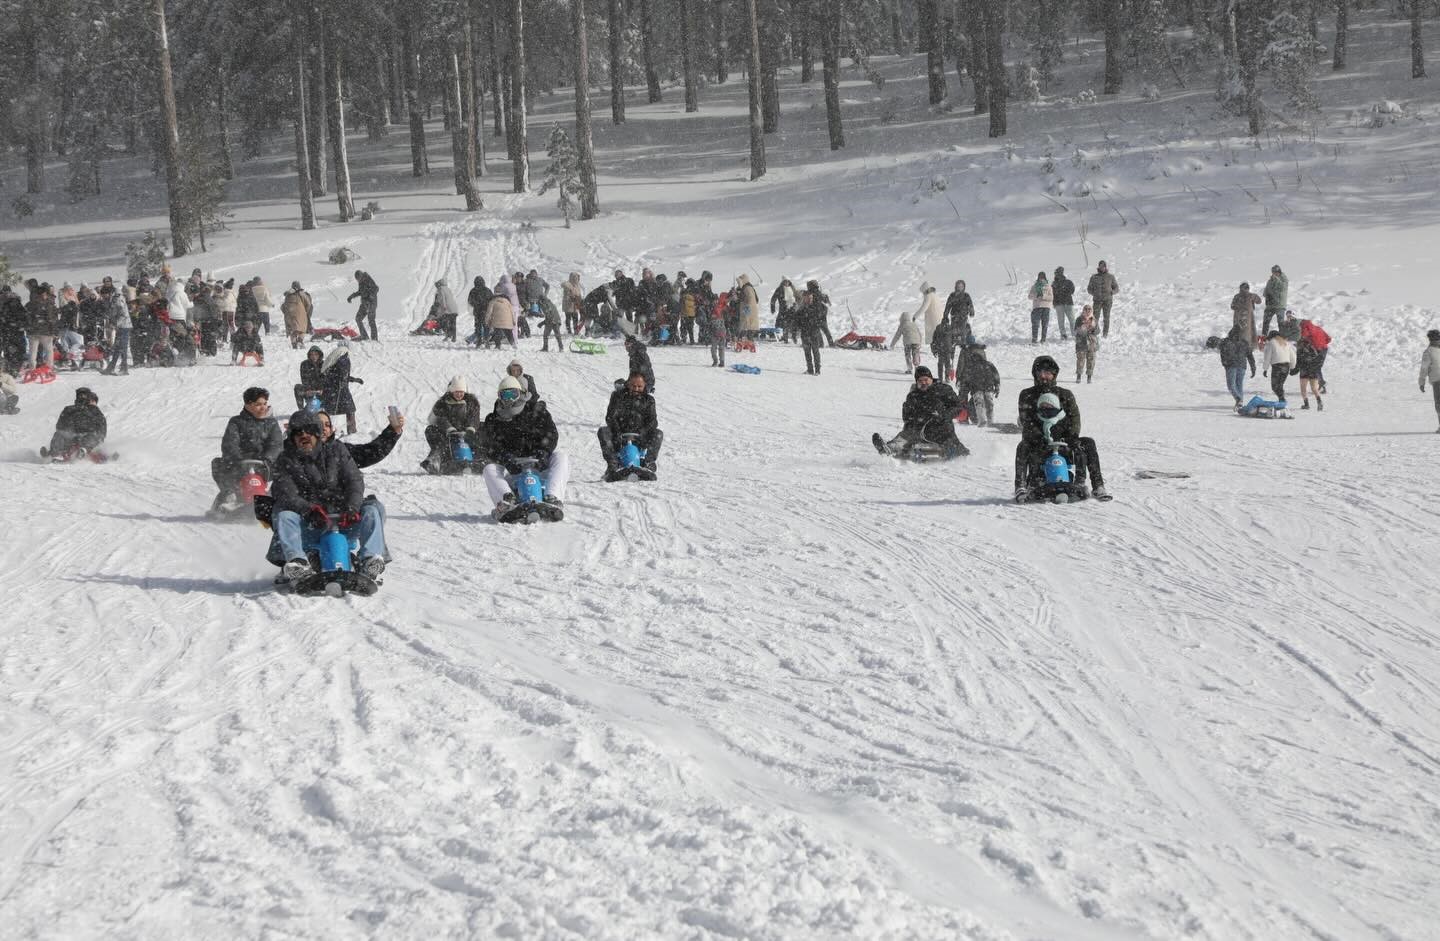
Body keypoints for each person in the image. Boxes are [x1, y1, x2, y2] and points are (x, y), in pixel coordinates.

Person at [268, 410, 387, 583]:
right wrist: (309, 510)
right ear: (292, 437)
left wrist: (352, 506)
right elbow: (286, 493)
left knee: (372, 510)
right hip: (309, 524)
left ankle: (369, 561)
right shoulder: (286, 459)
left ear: (316, 433)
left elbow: (354, 480)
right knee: (285, 516)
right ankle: (298, 564)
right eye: (298, 432)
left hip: (343, 518)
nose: (304, 435)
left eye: (308, 430)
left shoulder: (337, 450)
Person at [1014, 355, 1109, 500]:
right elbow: (1026, 421)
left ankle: (1098, 486)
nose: (1044, 376)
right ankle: (1020, 487)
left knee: (1088, 443)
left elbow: (1075, 419)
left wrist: (1070, 436)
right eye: (1041, 372)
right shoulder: (1027, 395)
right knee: (1023, 446)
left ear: (1054, 374)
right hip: (1038, 442)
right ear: (1035, 373)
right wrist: (1041, 437)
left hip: (1064, 440)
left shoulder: (1065, 395)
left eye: (1048, 372)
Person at [481, 375, 568, 520]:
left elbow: (551, 433)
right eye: (505, 394)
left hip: (539, 464)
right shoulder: (494, 418)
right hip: (514, 469)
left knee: (561, 457)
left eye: (513, 394)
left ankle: (552, 497)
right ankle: (507, 500)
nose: (509, 399)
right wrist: (506, 458)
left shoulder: (537, 411)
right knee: (489, 468)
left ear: (520, 393)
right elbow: (490, 445)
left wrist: (543, 452)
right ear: (499, 396)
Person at [211, 387, 283, 512]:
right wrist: (238, 459)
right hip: (239, 465)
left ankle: (276, 496)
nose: (263, 407)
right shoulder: (236, 422)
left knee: (287, 466)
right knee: (217, 463)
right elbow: (230, 443)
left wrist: (267, 458)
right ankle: (230, 495)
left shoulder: (271, 423)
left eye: (265, 404)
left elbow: (276, 444)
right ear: (248, 405)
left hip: (265, 466)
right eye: (258, 404)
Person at [873, 366, 968, 459]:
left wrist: (944, 415)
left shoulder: (943, 390)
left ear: (931, 379)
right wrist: (913, 421)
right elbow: (907, 416)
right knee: (906, 436)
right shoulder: (913, 396)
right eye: (920, 381)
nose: (923, 383)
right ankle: (890, 449)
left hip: (942, 428)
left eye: (926, 380)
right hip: (920, 429)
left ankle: (960, 454)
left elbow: (957, 406)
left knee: (953, 449)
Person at [600, 371, 663, 479]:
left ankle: (648, 464)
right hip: (619, 435)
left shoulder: (648, 400)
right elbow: (611, 417)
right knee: (603, 431)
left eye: (640, 386)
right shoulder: (618, 397)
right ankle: (613, 465)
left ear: (644, 386)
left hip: (641, 437)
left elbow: (653, 421)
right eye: (633, 386)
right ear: (628, 384)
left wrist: (643, 432)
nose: (636, 389)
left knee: (658, 433)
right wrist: (617, 432)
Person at [422, 375, 484, 472]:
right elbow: (441, 418)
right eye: (456, 392)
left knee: (484, 427)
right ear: (451, 391)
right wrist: (450, 430)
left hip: (467, 432)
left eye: (461, 392)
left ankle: (482, 459)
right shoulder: (443, 403)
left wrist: (470, 429)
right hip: (448, 433)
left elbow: (474, 417)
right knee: (431, 430)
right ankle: (436, 459)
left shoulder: (472, 402)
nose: (459, 394)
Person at [43, 386, 107, 461]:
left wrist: (99, 437)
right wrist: (67, 429)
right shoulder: (69, 409)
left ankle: (83, 451)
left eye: (84, 395)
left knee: (92, 437)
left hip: (87, 437)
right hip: (72, 436)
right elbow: (60, 426)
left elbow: (102, 428)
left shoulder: (95, 411)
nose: (82, 397)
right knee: (59, 435)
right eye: (80, 395)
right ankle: (54, 453)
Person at [957, 342, 1000, 426]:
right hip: (987, 387)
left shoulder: (969, 362)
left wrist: (961, 381)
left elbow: (962, 370)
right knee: (988, 404)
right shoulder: (987, 363)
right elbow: (995, 375)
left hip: (977, 387)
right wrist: (997, 385)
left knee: (979, 403)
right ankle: (988, 420)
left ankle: (977, 419)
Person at [322, 342, 360, 434]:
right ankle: (351, 432)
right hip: (338, 389)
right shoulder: (344, 358)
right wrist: (342, 381)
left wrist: (353, 379)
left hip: (331, 388)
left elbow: (334, 373)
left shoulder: (337, 355)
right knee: (350, 409)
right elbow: (342, 374)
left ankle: (326, 431)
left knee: (331, 411)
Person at [1218, 325, 1257, 409]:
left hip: (1231, 365)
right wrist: (1253, 368)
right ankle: (1240, 404)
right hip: (1241, 366)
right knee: (1239, 385)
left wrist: (1224, 363)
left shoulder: (1226, 341)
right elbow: (1250, 356)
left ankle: (1238, 399)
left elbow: (1221, 351)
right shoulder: (1244, 342)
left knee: (1231, 386)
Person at [25, 283, 60, 370]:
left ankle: (32, 368)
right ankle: (49, 368)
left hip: (33, 331)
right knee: (48, 350)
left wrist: (28, 328)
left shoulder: (30, 304)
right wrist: (55, 331)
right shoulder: (48, 304)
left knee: (33, 351)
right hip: (45, 331)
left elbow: (26, 317)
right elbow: (52, 319)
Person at [796, 288, 828, 376]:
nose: (810, 299)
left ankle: (817, 370)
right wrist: (799, 326)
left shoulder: (817, 306)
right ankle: (810, 369)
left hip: (814, 332)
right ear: (804, 298)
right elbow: (796, 319)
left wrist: (818, 322)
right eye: (808, 298)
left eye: (811, 297)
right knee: (807, 352)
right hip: (805, 333)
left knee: (815, 351)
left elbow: (825, 309)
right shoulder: (802, 308)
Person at [1262, 329, 1296, 404]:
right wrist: (1292, 367)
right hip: (1286, 367)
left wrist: (1265, 369)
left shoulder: (1271, 343)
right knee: (1280, 385)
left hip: (1277, 367)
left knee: (1274, 386)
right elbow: (1293, 356)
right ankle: (1281, 401)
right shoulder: (1286, 343)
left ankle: (1282, 399)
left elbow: (1267, 357)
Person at [1086, 260, 1119, 338]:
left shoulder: (1110, 277)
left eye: (1103, 266)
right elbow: (1089, 288)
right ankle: (1094, 331)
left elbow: (1117, 288)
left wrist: (1112, 292)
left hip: (1107, 301)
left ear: (1105, 267)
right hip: (1097, 301)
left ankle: (1105, 334)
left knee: (1106, 317)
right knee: (1095, 317)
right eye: (1100, 266)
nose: (1102, 268)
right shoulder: (1094, 277)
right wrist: (1094, 293)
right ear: (1099, 267)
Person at [1295, 329, 1324, 411]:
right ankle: (1319, 401)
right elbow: (1317, 357)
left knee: (1303, 388)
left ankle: (1306, 404)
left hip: (1304, 370)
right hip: (1313, 370)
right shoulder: (1312, 346)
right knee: (1314, 388)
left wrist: (1295, 369)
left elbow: (1298, 361)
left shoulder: (1300, 349)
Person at [345, 270, 379, 341]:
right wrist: (351, 296)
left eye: (358, 279)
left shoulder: (368, 279)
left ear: (361, 276)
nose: (358, 281)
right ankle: (364, 336)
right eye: (357, 279)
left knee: (371, 320)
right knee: (358, 318)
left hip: (371, 304)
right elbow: (360, 292)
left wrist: (370, 296)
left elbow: (376, 288)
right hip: (364, 304)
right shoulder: (361, 282)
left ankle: (374, 338)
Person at [890, 305, 922, 372]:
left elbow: (897, 336)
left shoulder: (902, 325)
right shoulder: (914, 324)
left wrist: (892, 344)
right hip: (916, 341)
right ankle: (916, 366)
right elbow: (919, 334)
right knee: (916, 353)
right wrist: (920, 342)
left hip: (907, 342)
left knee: (908, 355)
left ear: (901, 318)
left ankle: (909, 368)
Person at [282, 281, 313, 349]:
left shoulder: (288, 295)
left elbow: (283, 307)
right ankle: (300, 340)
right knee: (302, 328)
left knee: (292, 330)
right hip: (300, 313)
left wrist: (286, 313)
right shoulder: (300, 293)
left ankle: (294, 344)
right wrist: (305, 312)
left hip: (289, 314)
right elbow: (308, 303)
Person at [1073, 305, 1100, 383]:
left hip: (1092, 343)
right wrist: (1082, 328)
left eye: (1089, 309)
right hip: (1081, 342)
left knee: (1091, 360)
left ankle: (1089, 377)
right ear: (1083, 310)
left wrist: (1092, 330)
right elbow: (1075, 330)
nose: (1087, 311)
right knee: (1080, 360)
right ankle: (1079, 376)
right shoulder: (1079, 319)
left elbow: (1098, 331)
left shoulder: (1094, 319)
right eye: (1086, 309)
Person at [1231, 282, 1261, 349]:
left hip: (1239, 317)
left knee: (1239, 331)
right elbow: (1259, 301)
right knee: (1246, 332)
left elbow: (1232, 306)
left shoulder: (1238, 296)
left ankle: (1240, 345)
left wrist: (1238, 308)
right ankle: (1247, 346)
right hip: (1247, 318)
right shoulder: (1250, 296)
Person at [1421, 329, 1440, 432]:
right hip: (1437, 380)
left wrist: (1421, 382)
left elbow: (1424, 368)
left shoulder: (1428, 352)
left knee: (1439, 403)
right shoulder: (1428, 352)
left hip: (1437, 380)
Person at [1027, 271, 1053, 343]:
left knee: (1045, 324)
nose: (1041, 279)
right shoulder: (1034, 286)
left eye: (1042, 277)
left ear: (1045, 277)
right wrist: (1036, 296)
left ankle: (1043, 339)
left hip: (1046, 307)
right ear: (1038, 277)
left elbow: (1051, 298)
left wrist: (1044, 296)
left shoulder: (1048, 286)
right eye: (1040, 277)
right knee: (1035, 324)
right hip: (1037, 307)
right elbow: (1029, 296)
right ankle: (1034, 339)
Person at [1262, 265, 1288, 336]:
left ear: (1279, 272)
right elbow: (1265, 292)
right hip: (1270, 305)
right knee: (1266, 321)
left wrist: (1275, 279)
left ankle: (1282, 337)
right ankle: (1263, 336)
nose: (1274, 273)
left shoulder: (1284, 279)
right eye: (1273, 272)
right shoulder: (1270, 281)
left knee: (1280, 323)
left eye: (1275, 272)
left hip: (1279, 305)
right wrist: (1268, 296)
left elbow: (1282, 287)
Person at [468, 276, 494, 345]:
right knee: (486, 327)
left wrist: (476, 305)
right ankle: (486, 341)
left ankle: (479, 341)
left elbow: (470, 301)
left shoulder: (473, 290)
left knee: (478, 327)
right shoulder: (487, 290)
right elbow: (492, 300)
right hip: (486, 311)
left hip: (477, 311)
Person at [915, 281, 944, 346]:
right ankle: (940, 345)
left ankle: (936, 347)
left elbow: (924, 308)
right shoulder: (935, 295)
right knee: (938, 333)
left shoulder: (928, 296)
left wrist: (915, 316)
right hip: (939, 317)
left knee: (933, 334)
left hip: (933, 318)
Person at [931, 316, 957, 385]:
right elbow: (954, 342)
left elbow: (934, 340)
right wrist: (952, 353)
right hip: (948, 349)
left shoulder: (938, 328)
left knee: (940, 364)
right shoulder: (951, 328)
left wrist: (934, 350)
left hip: (940, 349)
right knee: (947, 364)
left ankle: (940, 378)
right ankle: (947, 377)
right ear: (948, 322)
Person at [770, 278, 797, 343]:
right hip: (783, 309)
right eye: (785, 281)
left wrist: (797, 305)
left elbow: (796, 297)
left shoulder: (792, 288)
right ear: (782, 282)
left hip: (792, 309)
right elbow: (773, 298)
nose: (786, 283)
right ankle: (784, 338)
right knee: (782, 324)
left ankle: (794, 337)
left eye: (787, 281)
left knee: (793, 324)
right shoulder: (779, 289)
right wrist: (772, 307)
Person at [1052, 266, 1075, 340]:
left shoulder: (1068, 282)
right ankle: (1063, 334)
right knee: (1061, 320)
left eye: (1058, 273)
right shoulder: (1054, 284)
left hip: (1068, 303)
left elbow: (1072, 290)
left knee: (1072, 319)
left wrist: (1065, 292)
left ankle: (1074, 333)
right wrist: (1054, 303)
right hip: (1059, 304)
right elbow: (1052, 294)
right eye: (1056, 273)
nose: (1056, 275)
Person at [708, 296, 728, 367]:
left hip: (720, 332)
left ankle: (719, 361)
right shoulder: (713, 309)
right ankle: (718, 361)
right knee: (716, 348)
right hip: (717, 332)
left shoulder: (719, 308)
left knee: (718, 348)